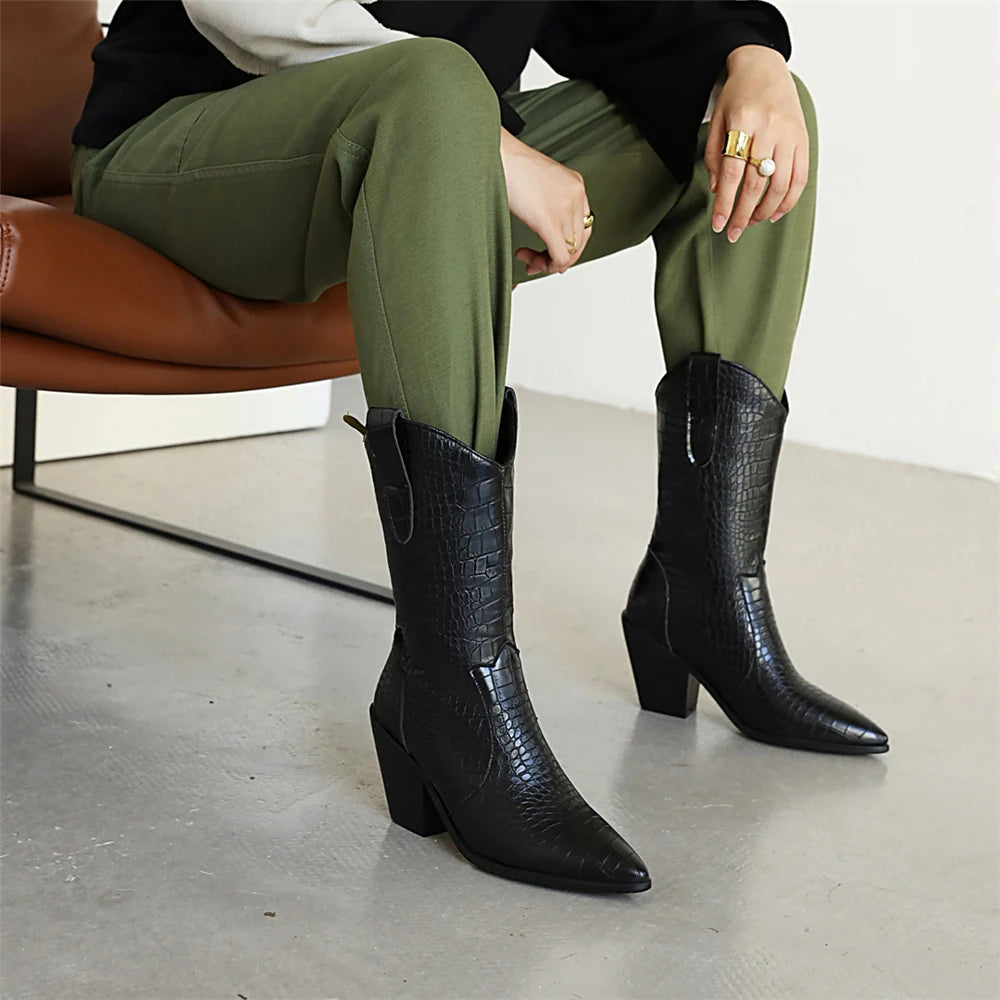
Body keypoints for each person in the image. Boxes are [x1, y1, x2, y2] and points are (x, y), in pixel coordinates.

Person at [69, 0, 889, 895]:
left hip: (430, 156)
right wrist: (484, 141)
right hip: (184, 155)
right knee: (438, 85)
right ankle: (452, 685)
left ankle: (705, 598)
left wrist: (751, 56)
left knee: (741, 125)